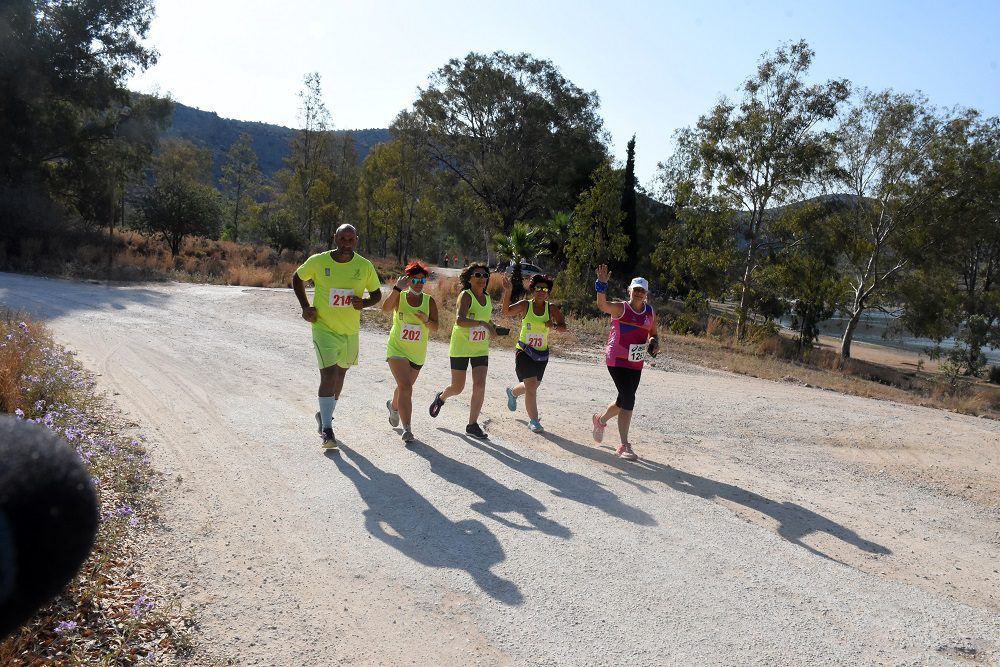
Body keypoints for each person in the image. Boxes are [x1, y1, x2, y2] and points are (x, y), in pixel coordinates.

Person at [292, 224, 382, 449]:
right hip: (324, 328)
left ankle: (324, 416)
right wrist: (305, 307)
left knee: (340, 376)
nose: (346, 243)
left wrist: (365, 303)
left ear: (357, 241)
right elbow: (297, 278)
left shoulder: (364, 266)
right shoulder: (319, 261)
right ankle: (327, 430)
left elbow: (377, 294)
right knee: (329, 375)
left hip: (350, 331)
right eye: (342, 238)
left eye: (351, 239)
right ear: (335, 238)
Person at [592, 264, 659, 461]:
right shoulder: (621, 308)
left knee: (623, 400)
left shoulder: (649, 312)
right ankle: (624, 445)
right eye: (636, 289)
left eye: (642, 290)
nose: (639, 293)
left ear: (646, 294)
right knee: (629, 398)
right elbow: (602, 306)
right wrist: (601, 286)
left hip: (635, 362)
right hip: (616, 358)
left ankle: (600, 420)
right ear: (629, 290)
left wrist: (654, 343)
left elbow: (652, 333)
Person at [428, 263, 499, 439]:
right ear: (470, 278)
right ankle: (442, 397)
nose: (482, 278)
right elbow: (460, 320)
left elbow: (486, 319)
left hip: (480, 347)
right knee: (458, 388)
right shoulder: (465, 296)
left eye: (485, 275)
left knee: (480, 385)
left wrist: (493, 327)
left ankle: (472, 425)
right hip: (461, 345)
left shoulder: (487, 298)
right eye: (478, 275)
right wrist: (483, 324)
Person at [500, 273, 566, 432]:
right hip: (524, 351)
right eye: (538, 288)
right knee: (531, 386)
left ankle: (512, 392)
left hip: (542, 354)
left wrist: (554, 327)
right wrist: (508, 291)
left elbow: (564, 327)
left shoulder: (552, 309)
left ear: (548, 291)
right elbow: (506, 312)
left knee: (533, 386)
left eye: (544, 288)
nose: (541, 291)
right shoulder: (525, 305)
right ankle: (534, 420)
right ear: (533, 290)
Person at [383, 261, 439, 443]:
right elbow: (385, 309)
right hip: (397, 349)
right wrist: (396, 289)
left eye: (422, 281)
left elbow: (436, 328)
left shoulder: (429, 301)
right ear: (408, 280)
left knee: (403, 387)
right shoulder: (400, 296)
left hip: (417, 353)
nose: (418, 284)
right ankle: (407, 428)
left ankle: (393, 407)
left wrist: (425, 320)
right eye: (415, 280)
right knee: (406, 387)